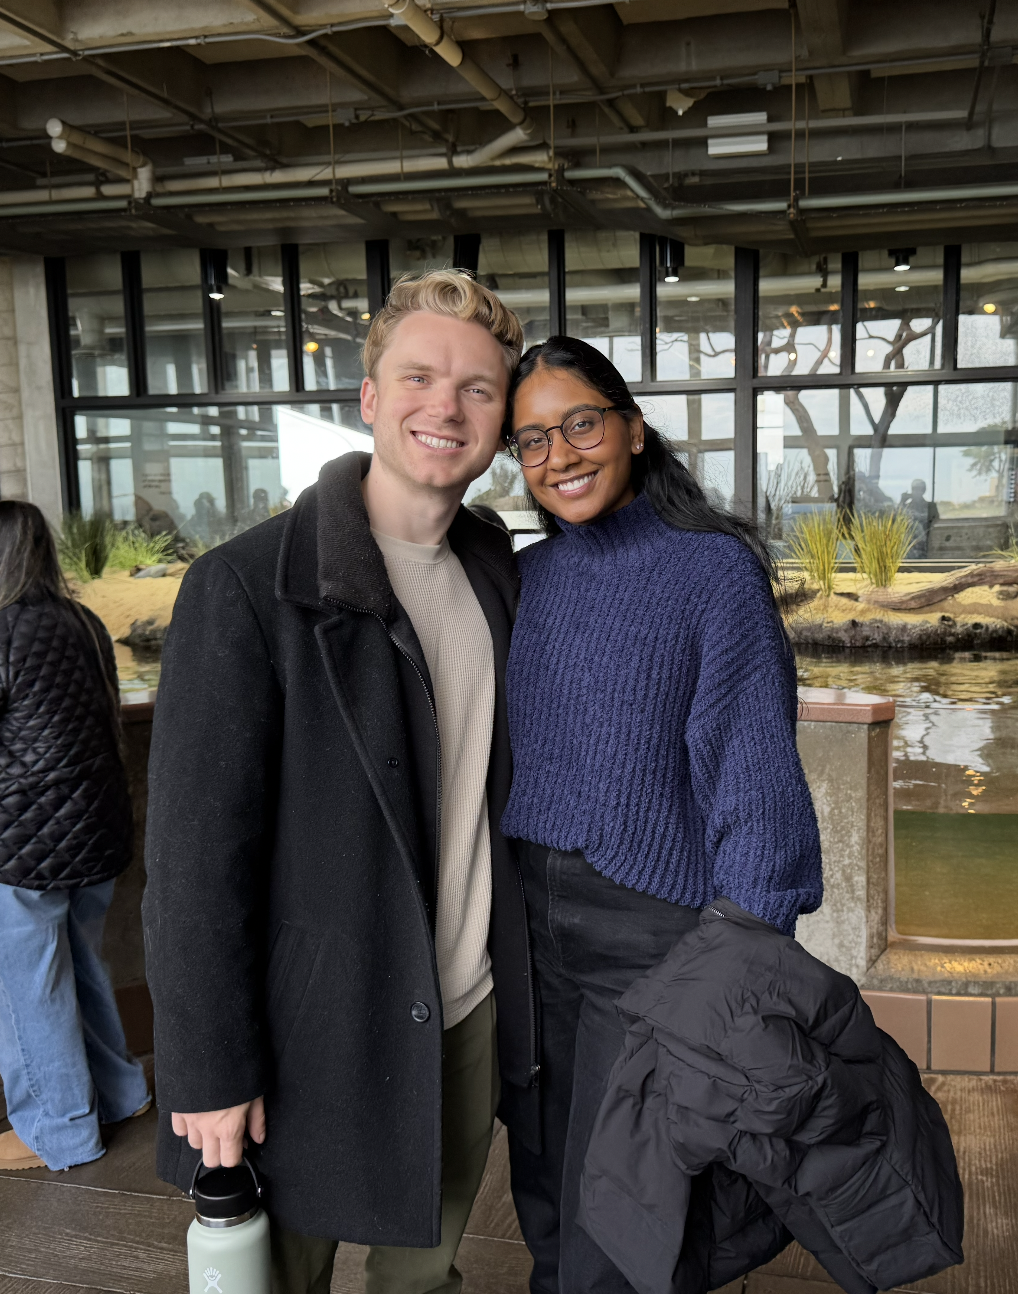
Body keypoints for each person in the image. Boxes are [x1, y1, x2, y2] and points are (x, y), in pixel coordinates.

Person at [142, 270, 538, 1294]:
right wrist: (207, 1069)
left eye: (477, 388)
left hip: (461, 1016)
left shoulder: (495, 568)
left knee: (421, 1278)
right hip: (304, 1035)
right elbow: (192, 862)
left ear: (499, 419)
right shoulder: (247, 587)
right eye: (418, 376)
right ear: (368, 399)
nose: (443, 406)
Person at [499, 337, 823, 1294]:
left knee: (628, 1219)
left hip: (650, 939)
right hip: (530, 932)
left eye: (580, 425)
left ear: (633, 429)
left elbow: (753, 772)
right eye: (530, 441)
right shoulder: (533, 576)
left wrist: (746, 955)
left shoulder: (710, 573)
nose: (558, 455)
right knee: (547, 1191)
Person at [0, 501, 149, 1172]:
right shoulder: (84, 622)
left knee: (27, 987)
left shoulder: (1, 630)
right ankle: (120, 1093)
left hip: (19, 841)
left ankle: (59, 1130)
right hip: (96, 829)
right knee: (84, 966)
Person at [899, 478, 939, 557]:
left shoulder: (931, 506)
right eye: (914, 489)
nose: (917, 492)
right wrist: (902, 502)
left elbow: (934, 519)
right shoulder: (906, 507)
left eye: (919, 489)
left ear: (923, 490)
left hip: (926, 544)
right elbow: (896, 519)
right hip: (909, 546)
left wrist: (918, 516)